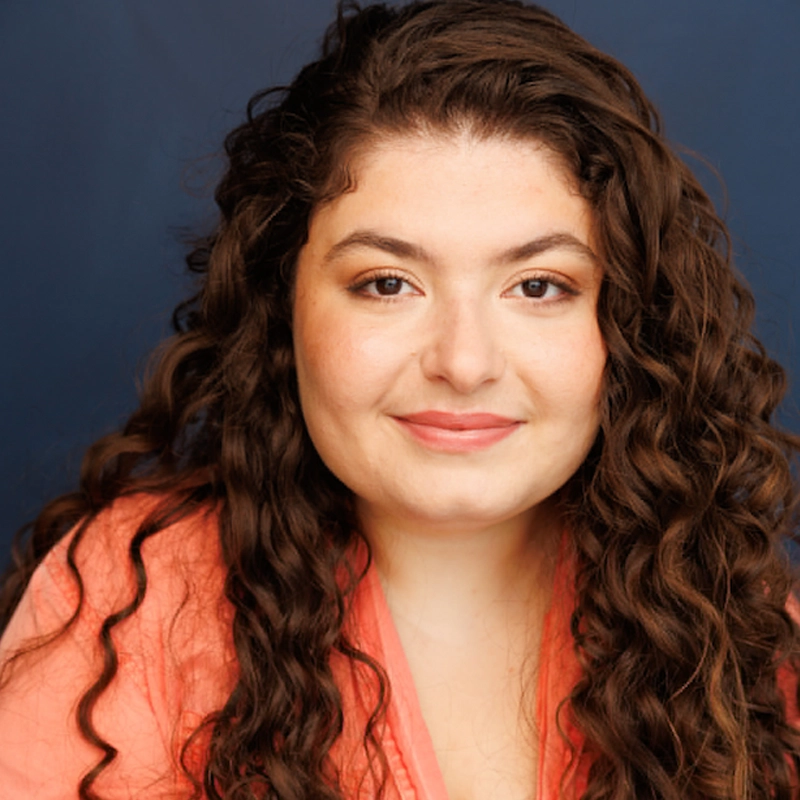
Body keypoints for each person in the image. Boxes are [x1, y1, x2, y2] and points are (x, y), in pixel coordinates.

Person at [1, 0, 799, 798]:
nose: (463, 361)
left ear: (627, 324)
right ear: (285, 307)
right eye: (387, 283)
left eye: (538, 285)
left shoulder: (733, 615)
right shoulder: (133, 598)